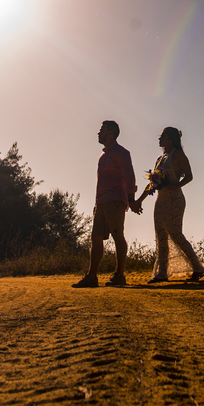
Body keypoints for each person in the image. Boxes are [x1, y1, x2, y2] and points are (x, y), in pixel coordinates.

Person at [131, 126, 204, 283]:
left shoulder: (178, 155)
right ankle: (162, 272)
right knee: (161, 235)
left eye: (162, 136)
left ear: (169, 139)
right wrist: (139, 200)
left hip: (175, 199)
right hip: (161, 200)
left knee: (175, 233)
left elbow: (190, 176)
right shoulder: (160, 159)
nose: (159, 139)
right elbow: (152, 183)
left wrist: (176, 186)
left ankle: (197, 267)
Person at [72, 120, 136, 288]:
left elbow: (129, 176)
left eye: (102, 130)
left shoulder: (121, 153)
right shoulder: (103, 156)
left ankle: (119, 274)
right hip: (102, 202)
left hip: (115, 200)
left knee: (117, 235)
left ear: (110, 133)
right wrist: (96, 202)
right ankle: (92, 276)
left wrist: (131, 199)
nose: (98, 133)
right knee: (96, 237)